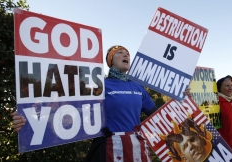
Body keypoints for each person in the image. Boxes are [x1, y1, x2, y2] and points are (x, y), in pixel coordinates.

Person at [11, 45, 191, 162]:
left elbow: (157, 115)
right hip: (108, 148)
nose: (125, 54)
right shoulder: (99, 84)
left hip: (137, 147)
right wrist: (29, 119)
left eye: (127, 53)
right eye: (120, 53)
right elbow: (67, 109)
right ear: (110, 61)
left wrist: (179, 100)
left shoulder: (138, 87)